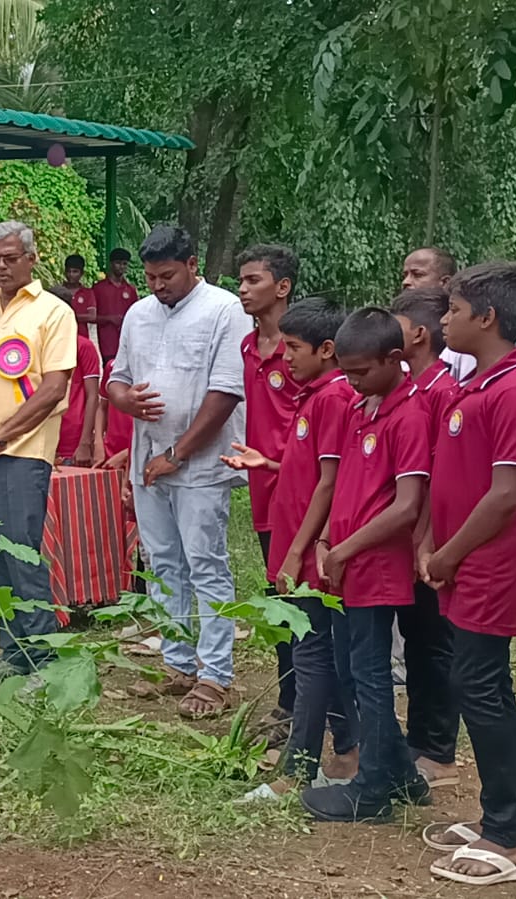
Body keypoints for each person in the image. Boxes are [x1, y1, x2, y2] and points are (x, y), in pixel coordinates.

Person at [414, 263, 516, 887]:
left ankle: (510, 836)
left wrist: (447, 555)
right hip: (463, 561)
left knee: (479, 687)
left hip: (491, 564)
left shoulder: (515, 392)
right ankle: (499, 815)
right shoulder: (474, 388)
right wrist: (435, 540)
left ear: (486, 318)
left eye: (454, 310)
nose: (443, 320)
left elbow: (505, 497)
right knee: (479, 685)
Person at [107, 225, 247, 718]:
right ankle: (177, 661)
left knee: (204, 564)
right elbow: (116, 380)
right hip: (149, 460)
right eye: (150, 277)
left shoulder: (224, 311)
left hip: (202, 465)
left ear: (192, 265)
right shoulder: (138, 314)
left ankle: (214, 675)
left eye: (167, 275)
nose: (158, 285)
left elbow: (226, 391)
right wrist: (125, 400)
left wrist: (180, 453)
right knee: (163, 563)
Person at [300, 307, 431, 823]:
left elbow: (406, 505)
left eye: (360, 372)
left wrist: (347, 547)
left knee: (370, 675)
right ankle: (402, 773)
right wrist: (327, 538)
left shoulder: (410, 415)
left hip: (376, 567)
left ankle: (373, 786)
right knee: (355, 669)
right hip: (346, 562)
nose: (351, 382)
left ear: (394, 359)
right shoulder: (362, 410)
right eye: (347, 373)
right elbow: (346, 485)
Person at [226, 298, 360, 800]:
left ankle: (297, 770)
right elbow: (310, 472)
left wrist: (295, 552)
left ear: (327, 350)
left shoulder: (332, 398)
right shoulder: (315, 395)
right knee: (319, 655)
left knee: (309, 658)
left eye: (295, 349)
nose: (285, 359)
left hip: (308, 555)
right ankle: (346, 751)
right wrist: (272, 463)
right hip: (298, 546)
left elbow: (329, 484)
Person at [0, 220, 77, 685]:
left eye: (10, 258)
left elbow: (52, 388)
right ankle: (12, 651)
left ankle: (44, 659)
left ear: (31, 258)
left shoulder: (52, 312)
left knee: (21, 552)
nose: (1, 266)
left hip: (22, 453)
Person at [388, 285, 465, 791]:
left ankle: (437, 748)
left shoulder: (441, 391)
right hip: (408, 533)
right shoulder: (410, 388)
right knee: (415, 641)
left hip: (430, 534)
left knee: (435, 642)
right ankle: (417, 739)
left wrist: (427, 538)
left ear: (417, 333)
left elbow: (439, 471)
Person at [236, 243, 305, 732]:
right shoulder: (246, 345)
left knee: (304, 596)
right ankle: (289, 700)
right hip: (262, 488)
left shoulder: (302, 351)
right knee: (277, 592)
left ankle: (307, 706)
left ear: (282, 288)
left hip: (300, 487)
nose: (243, 289)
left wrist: (284, 463)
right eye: (241, 281)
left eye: (254, 281)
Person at [401, 246, 475, 381]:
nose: (406, 282)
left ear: (445, 282)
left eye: (417, 275)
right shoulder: (399, 328)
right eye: (405, 275)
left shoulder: (463, 336)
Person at [57, 333, 102, 466]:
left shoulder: (82, 345)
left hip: (73, 440)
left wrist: (85, 443)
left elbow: (93, 396)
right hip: (45, 439)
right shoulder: (39, 343)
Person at [91, 248, 136, 362]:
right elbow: (91, 316)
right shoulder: (98, 288)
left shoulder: (131, 289)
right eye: (118, 263)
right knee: (108, 368)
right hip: (107, 340)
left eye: (124, 264)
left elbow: (136, 315)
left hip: (127, 340)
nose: (121, 266)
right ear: (111, 264)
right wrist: (109, 319)